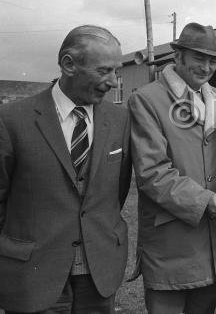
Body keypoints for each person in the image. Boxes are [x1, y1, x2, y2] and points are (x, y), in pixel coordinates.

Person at [0, 25, 131, 313]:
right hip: (33, 274)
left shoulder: (120, 120)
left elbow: (117, 192)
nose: (112, 81)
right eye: (104, 71)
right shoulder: (11, 120)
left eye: (116, 71)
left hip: (99, 273)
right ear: (68, 64)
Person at [128, 23, 216, 314]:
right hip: (172, 245)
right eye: (199, 58)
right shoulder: (147, 99)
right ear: (178, 57)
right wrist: (204, 201)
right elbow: (152, 172)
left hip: (213, 244)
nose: (206, 67)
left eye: (212, 60)